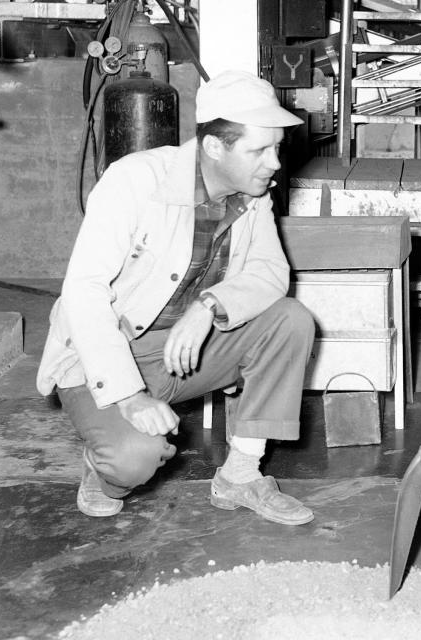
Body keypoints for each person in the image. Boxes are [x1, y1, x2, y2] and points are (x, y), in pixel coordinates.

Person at [36, 70, 316, 525]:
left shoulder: (254, 195)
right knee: (133, 460)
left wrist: (209, 307)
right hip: (107, 354)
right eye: (259, 150)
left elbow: (270, 273)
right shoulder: (132, 181)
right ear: (214, 147)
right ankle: (103, 468)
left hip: (183, 352)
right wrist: (129, 397)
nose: (275, 164)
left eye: (277, 148)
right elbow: (81, 292)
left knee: (290, 320)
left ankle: (240, 475)